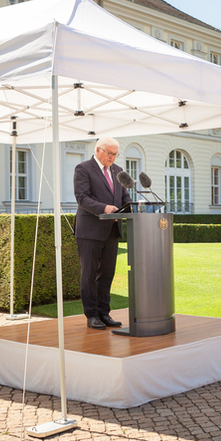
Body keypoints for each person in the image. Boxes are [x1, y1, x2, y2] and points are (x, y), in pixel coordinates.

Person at [75, 137, 130, 330]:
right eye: (110, 153)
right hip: (90, 230)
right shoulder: (83, 168)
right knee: (89, 274)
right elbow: (82, 198)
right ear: (98, 150)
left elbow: (125, 198)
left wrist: (132, 209)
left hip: (112, 231)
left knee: (107, 274)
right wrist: (104, 208)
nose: (113, 157)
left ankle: (104, 313)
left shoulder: (118, 172)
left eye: (115, 154)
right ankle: (92, 315)